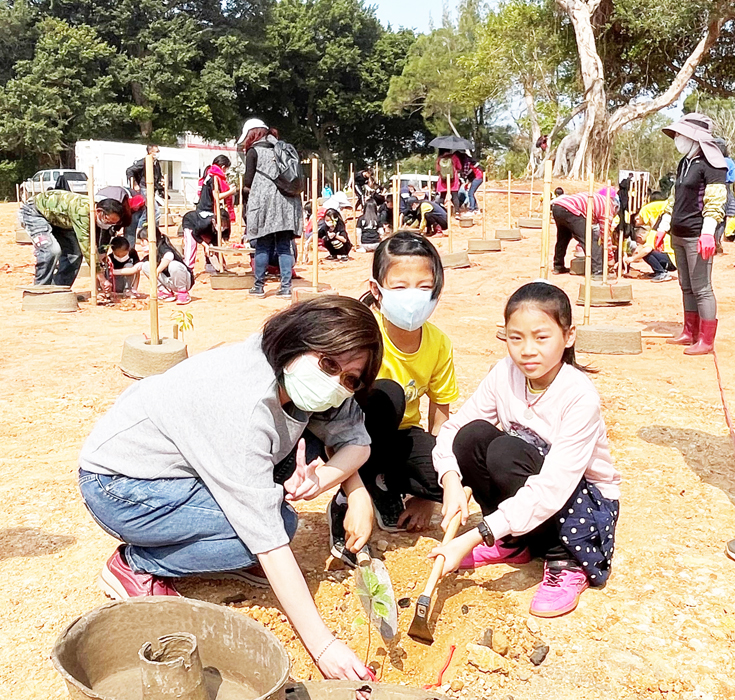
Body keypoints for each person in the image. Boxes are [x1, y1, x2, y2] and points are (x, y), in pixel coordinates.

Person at [78, 297, 382, 681]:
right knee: (273, 529)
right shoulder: (247, 404)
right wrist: (323, 646)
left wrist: (339, 485)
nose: (336, 384)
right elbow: (269, 541)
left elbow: (358, 442)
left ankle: (212, 542)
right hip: (124, 485)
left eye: (350, 379)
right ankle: (134, 565)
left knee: (277, 508)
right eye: (329, 364)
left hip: (184, 469)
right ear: (300, 340)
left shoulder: (294, 369)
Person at [430, 281, 621, 618]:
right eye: (515, 338)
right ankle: (514, 543)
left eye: (541, 337)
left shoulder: (579, 397)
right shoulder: (504, 374)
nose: (527, 350)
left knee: (506, 452)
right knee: (472, 437)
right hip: (533, 485)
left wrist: (474, 535)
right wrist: (449, 480)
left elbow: (552, 488)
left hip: (580, 501)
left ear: (569, 336)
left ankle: (564, 558)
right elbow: (453, 429)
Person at [327, 232, 459, 564]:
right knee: (388, 395)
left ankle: (385, 486)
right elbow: (333, 416)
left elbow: (440, 415)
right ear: (377, 290)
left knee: (457, 469)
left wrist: (426, 497)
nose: (412, 297)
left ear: (436, 291)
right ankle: (351, 497)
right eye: (399, 287)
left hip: (403, 438)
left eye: (424, 286)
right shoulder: (362, 338)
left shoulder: (439, 343)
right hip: (354, 436)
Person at [655, 113, 728, 355]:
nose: (677, 139)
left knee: (702, 287)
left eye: (680, 135)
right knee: (685, 285)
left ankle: (706, 340)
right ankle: (690, 331)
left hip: (697, 234)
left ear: (695, 139)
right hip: (678, 232)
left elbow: (716, 201)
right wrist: (664, 225)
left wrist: (708, 232)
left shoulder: (713, 165)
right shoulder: (684, 163)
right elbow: (675, 197)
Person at [238, 118, 302, 299]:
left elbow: (248, 182)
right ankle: (286, 288)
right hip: (287, 203)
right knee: (284, 246)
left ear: (253, 134)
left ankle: (258, 287)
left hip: (264, 203)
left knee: (263, 246)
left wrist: (244, 200)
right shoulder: (283, 148)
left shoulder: (253, 152)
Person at [19, 190, 123, 287]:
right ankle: (40, 289)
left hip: (60, 219)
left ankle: (59, 289)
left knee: (75, 253)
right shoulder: (83, 212)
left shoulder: (95, 211)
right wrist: (101, 277)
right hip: (35, 212)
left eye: (113, 223)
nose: (109, 225)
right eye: (108, 221)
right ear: (99, 211)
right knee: (51, 250)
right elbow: (87, 246)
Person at [552, 188, 619, 276]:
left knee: (563, 238)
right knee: (591, 240)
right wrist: (610, 258)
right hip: (571, 210)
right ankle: (598, 271)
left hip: (557, 207)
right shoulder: (608, 208)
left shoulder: (597, 199)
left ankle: (558, 266)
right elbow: (605, 235)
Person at [138, 224, 194, 305]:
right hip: (168, 281)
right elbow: (137, 267)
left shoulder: (163, 247)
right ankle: (165, 292)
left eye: (143, 240)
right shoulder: (151, 254)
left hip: (183, 279)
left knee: (174, 265)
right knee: (145, 266)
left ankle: (183, 292)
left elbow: (168, 257)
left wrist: (157, 271)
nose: (141, 244)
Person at [197, 155, 237, 242]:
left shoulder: (210, 175)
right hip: (206, 212)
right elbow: (217, 196)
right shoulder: (214, 178)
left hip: (204, 209)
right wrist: (231, 192)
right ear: (223, 167)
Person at [126, 145, 165, 230]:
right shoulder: (144, 162)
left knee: (146, 212)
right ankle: (146, 230)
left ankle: (147, 230)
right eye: (156, 151)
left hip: (152, 189)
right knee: (155, 211)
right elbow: (129, 170)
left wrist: (161, 181)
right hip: (144, 188)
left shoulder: (156, 163)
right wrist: (135, 184)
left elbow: (158, 175)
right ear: (150, 152)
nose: (158, 153)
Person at [436, 150, 462, 214]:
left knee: (442, 196)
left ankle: (440, 211)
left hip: (443, 180)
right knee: (455, 196)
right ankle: (457, 212)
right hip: (453, 180)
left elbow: (437, 169)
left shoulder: (439, 159)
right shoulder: (454, 157)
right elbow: (459, 167)